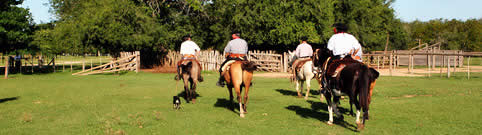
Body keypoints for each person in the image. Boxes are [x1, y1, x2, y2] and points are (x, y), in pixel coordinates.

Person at [325, 23, 363, 95]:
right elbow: (357, 47)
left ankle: (327, 87)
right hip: (350, 57)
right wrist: (353, 55)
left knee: (328, 70)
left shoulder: (334, 37)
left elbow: (329, 48)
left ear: (337, 29)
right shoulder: (351, 37)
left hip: (338, 58)